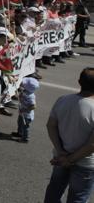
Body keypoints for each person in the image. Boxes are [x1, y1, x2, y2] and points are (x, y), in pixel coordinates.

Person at [44, 68, 94, 203]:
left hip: (60, 157)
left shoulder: (63, 100)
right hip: (85, 163)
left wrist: (61, 153)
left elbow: (51, 125)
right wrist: (71, 160)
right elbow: (91, 144)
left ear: (79, 82)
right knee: (78, 198)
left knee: (53, 194)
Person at [11, 77, 39, 143]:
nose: (22, 83)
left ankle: (25, 138)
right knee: (19, 123)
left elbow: (33, 106)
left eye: (24, 84)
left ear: (28, 87)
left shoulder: (31, 96)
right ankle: (20, 133)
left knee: (25, 127)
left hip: (27, 115)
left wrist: (25, 110)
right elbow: (20, 97)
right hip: (22, 113)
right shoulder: (24, 91)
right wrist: (17, 95)